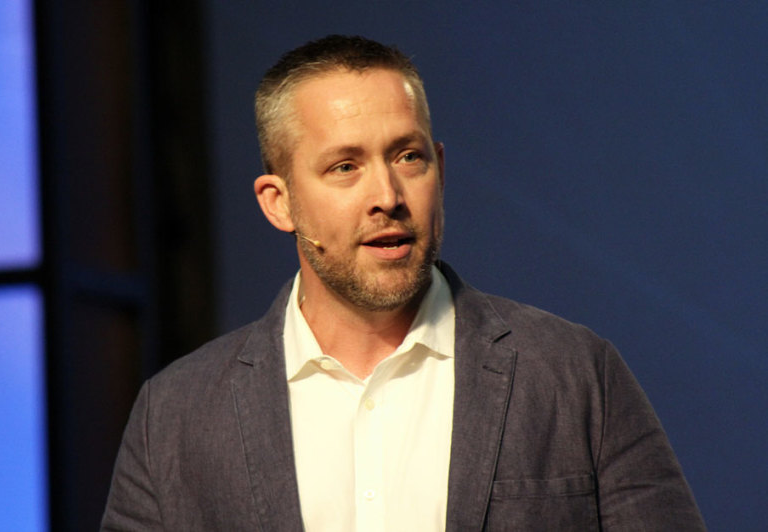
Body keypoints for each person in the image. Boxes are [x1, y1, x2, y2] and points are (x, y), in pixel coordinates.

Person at [101, 35, 705, 531]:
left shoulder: (574, 375)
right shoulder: (175, 416)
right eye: (345, 167)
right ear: (278, 202)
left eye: (407, 157)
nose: (387, 197)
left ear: (439, 170)